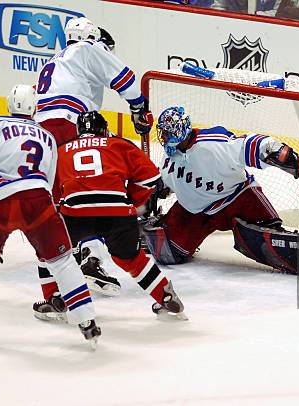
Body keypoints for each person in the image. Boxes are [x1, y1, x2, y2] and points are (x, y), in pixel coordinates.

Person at [0, 85, 101, 347]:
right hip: (38, 201)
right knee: (63, 262)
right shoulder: (47, 136)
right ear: (34, 107)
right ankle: (87, 322)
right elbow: (50, 181)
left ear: (8, 103)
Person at [33, 16, 154, 296]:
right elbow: (124, 78)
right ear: (92, 36)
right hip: (67, 124)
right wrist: (138, 107)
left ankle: (62, 258)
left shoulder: (57, 59)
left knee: (64, 197)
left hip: (41, 131)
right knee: (94, 187)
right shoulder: (88, 49)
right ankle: (92, 257)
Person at [32, 111, 186, 321]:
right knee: (132, 259)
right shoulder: (119, 144)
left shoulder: (61, 151)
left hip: (76, 213)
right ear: (104, 130)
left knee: (48, 251)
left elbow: (51, 191)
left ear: (79, 131)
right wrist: (131, 200)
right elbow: (151, 179)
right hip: (118, 213)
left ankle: (53, 298)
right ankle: (165, 295)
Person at [142, 107, 299, 275]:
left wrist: (277, 151)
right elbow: (165, 183)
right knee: (167, 252)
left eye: (166, 132)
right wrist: (156, 189)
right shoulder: (169, 158)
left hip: (235, 199)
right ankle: (153, 228)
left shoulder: (214, 142)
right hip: (194, 213)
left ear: (178, 130)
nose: (163, 137)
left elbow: (247, 145)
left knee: (261, 239)